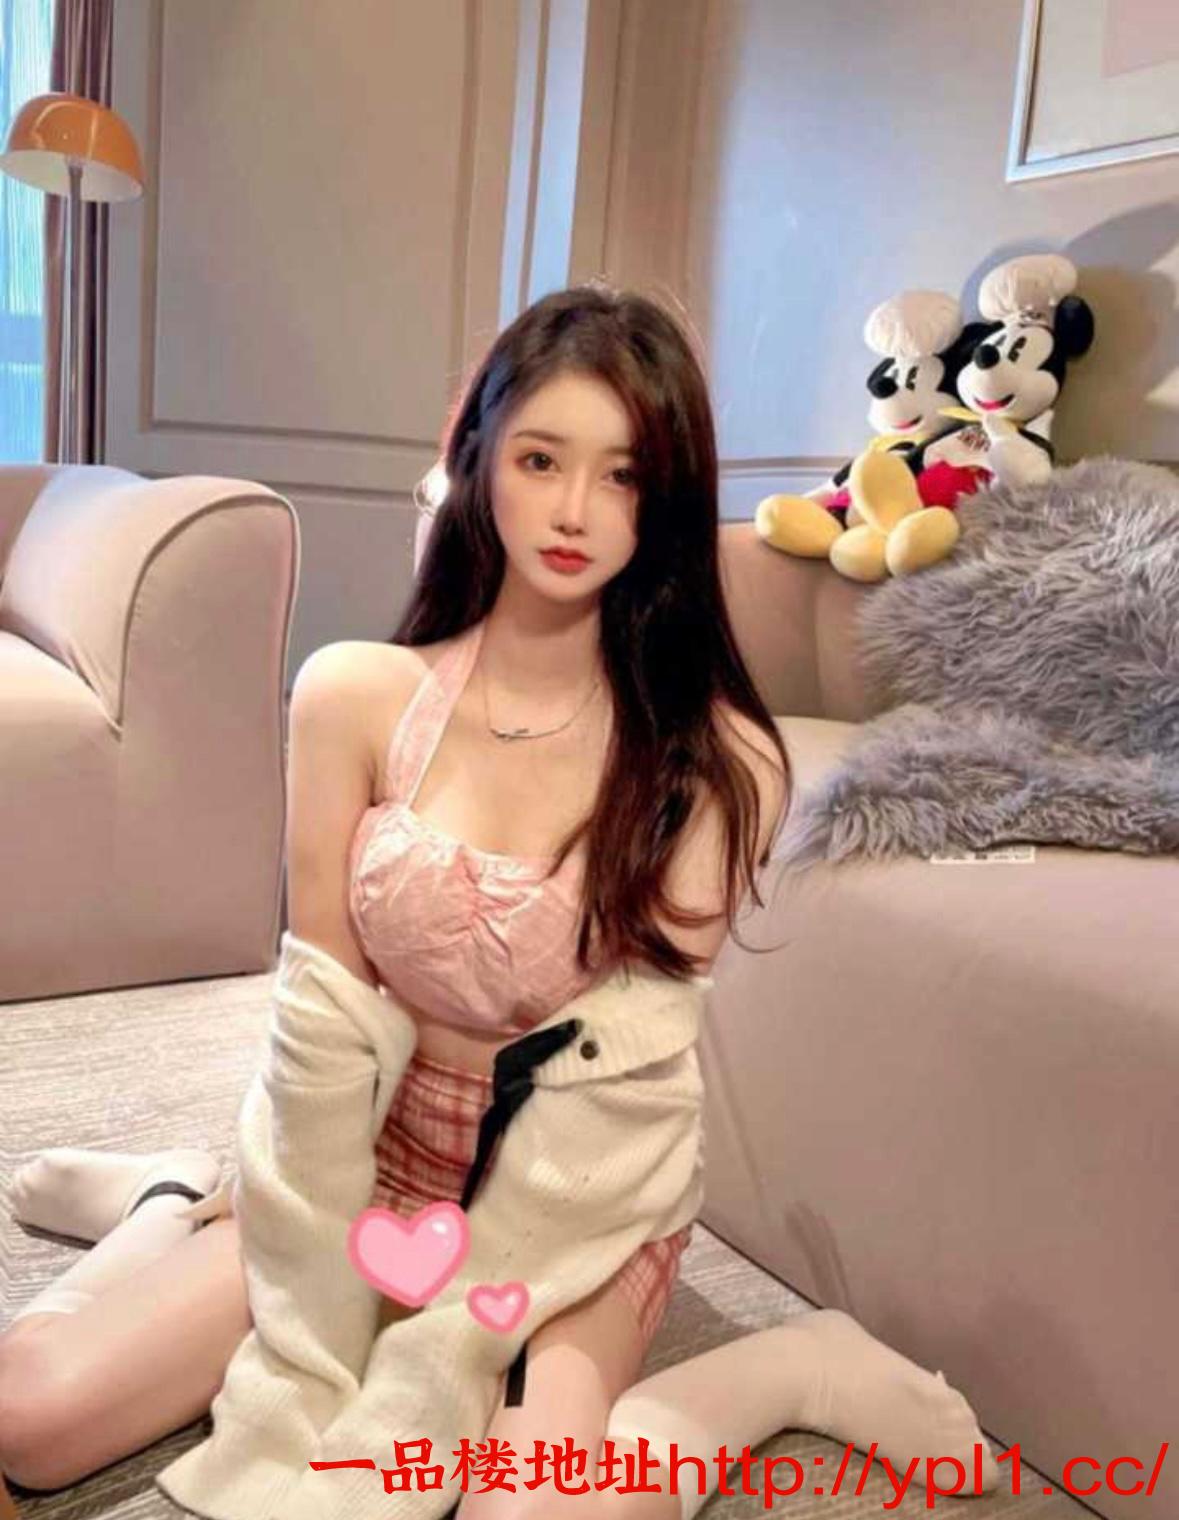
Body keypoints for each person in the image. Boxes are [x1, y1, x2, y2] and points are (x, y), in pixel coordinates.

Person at [0, 281, 997, 1516]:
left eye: (624, 476)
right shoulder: (354, 693)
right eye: (540, 459)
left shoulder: (716, 759)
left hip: (582, 1189)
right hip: (368, 1145)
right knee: (31, 1417)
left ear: (667, 501)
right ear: (475, 458)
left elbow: (624, 1080)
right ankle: (168, 1200)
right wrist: (310, 1284)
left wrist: (452, 1335)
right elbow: (321, 1020)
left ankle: (792, 1364)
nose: (575, 510)